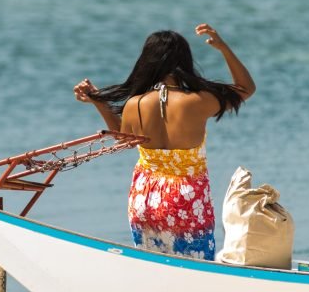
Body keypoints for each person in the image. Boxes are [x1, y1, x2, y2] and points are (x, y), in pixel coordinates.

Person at [74, 24, 255, 260]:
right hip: (185, 198)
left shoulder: (135, 103)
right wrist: (223, 48)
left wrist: (101, 103)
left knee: (153, 266)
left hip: (145, 198)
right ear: (184, 62)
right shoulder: (198, 101)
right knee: (195, 269)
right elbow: (246, 88)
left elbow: (122, 138)